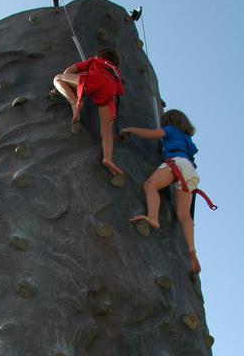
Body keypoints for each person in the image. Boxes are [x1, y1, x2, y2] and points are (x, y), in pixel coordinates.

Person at [121, 109, 201, 273]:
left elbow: (150, 134)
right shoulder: (187, 140)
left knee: (150, 185)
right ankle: (191, 248)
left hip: (176, 163)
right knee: (184, 215)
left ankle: (153, 218)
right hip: (190, 171)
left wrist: (131, 130)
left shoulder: (171, 130)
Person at [53, 47, 125, 176]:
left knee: (58, 78)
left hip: (97, 78)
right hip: (111, 90)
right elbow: (120, 91)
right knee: (107, 131)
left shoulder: (95, 61)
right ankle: (107, 158)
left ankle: (74, 103)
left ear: (99, 56)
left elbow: (70, 70)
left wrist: (69, 83)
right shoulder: (116, 72)